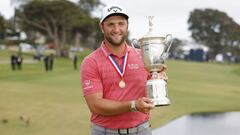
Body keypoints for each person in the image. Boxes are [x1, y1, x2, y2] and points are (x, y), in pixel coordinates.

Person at [80, 4, 168, 135]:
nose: (116, 29)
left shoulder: (143, 55)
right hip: (105, 132)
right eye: (111, 24)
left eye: (121, 23)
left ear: (127, 25)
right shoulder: (91, 61)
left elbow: (151, 93)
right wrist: (133, 105)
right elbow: (95, 105)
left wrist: (159, 80)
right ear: (101, 27)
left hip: (142, 130)